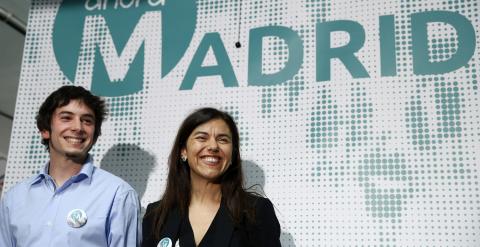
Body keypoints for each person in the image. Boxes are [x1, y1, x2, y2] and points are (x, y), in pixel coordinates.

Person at [0, 85, 141, 247]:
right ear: (45, 130)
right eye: (66, 118)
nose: (78, 127)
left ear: (95, 135)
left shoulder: (118, 194)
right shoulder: (14, 198)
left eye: (87, 121)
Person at [142, 107, 281, 247]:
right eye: (202, 138)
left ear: (232, 154)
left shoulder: (256, 211)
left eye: (223, 139)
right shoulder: (156, 215)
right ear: (183, 151)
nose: (213, 146)